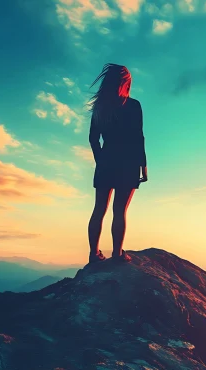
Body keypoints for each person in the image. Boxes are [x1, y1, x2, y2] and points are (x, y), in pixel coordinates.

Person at [86, 63, 148, 263]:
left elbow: (93, 139)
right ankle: (117, 254)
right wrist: (143, 166)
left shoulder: (100, 108)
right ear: (126, 83)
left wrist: (100, 160)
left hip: (106, 160)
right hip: (128, 163)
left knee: (99, 210)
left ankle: (94, 254)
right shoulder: (133, 105)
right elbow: (139, 138)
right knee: (120, 211)